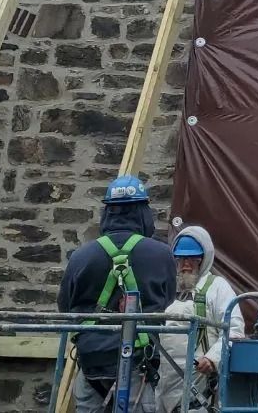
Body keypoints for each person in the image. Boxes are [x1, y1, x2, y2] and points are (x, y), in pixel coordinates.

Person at [58, 175, 178, 413]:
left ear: (108, 213)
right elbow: (169, 304)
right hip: (139, 363)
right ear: (143, 212)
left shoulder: (81, 257)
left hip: (92, 364)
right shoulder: (161, 255)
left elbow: (65, 305)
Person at [157, 225, 246, 412]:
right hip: (167, 384)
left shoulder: (218, 287)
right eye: (181, 258)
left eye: (192, 258)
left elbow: (234, 331)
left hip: (201, 385)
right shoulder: (172, 289)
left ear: (204, 258)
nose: (186, 264)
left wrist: (213, 358)